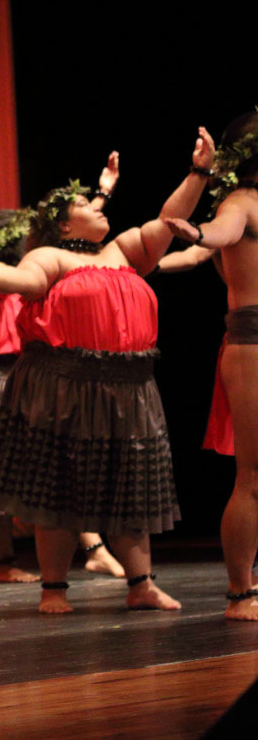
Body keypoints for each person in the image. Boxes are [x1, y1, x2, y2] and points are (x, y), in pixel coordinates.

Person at [0, 128, 215, 615]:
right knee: (59, 488)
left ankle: (141, 583)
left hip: (129, 385)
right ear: (65, 226)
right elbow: (25, 281)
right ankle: (54, 589)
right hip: (60, 384)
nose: (100, 204)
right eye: (86, 204)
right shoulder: (50, 256)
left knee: (130, 486)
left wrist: (198, 172)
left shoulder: (126, 249)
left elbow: (170, 220)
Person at [0, 156, 127, 585]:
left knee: (61, 464)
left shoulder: (47, 269)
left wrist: (104, 193)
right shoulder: (1, 277)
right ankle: (9, 560)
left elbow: (75, 237)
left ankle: (93, 548)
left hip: (33, 375)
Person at [164, 110, 258, 621]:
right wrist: (197, 233)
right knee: (254, 477)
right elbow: (224, 231)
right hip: (254, 345)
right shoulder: (241, 202)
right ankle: (241, 592)